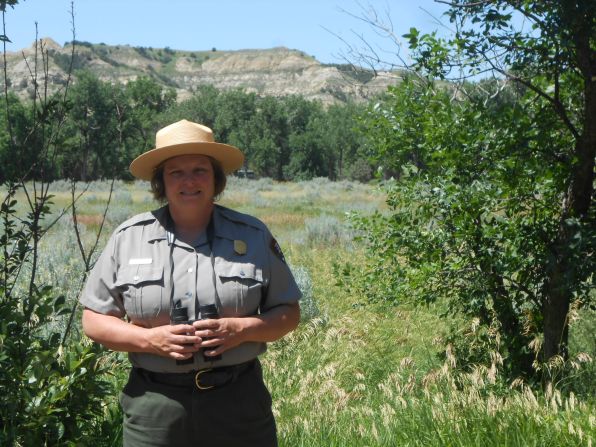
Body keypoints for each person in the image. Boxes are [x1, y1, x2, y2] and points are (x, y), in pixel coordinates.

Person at [80, 119, 302, 446]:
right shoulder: (128, 238)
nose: (189, 181)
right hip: (154, 407)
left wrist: (242, 330)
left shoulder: (252, 235)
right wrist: (150, 341)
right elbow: (94, 320)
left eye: (200, 170)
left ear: (216, 179)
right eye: (176, 172)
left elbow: (288, 312)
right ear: (161, 182)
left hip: (238, 403)